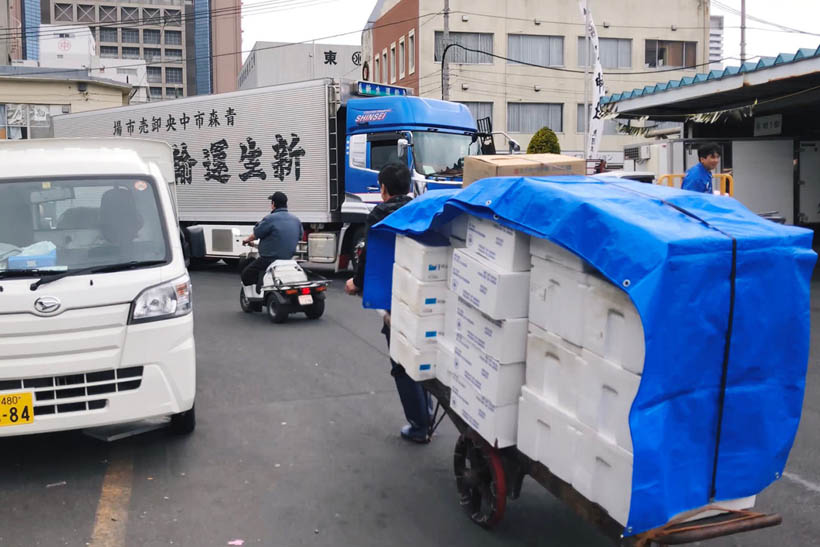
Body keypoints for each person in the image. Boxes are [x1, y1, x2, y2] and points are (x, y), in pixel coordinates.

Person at [345, 163, 432, 444]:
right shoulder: (421, 209)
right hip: (427, 293)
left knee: (401, 361)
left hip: (397, 298)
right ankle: (426, 411)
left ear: (382, 188)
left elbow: (371, 256)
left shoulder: (380, 214)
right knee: (422, 352)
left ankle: (419, 425)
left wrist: (356, 283)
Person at [241, 191, 302, 291]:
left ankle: (260, 286)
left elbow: (256, 234)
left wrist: (246, 240)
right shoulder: (296, 220)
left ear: (273, 204)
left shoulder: (269, 219)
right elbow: (298, 236)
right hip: (288, 259)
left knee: (246, 275)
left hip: (269, 259)